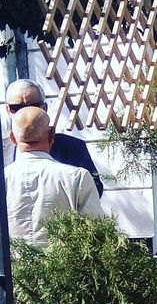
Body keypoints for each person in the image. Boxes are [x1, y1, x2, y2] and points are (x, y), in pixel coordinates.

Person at [6, 107, 104, 246]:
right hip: (62, 266)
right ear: (52, 135)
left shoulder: (4, 179)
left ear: (13, 139)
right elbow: (95, 232)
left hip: (10, 266)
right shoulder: (77, 177)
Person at [3, 79, 104, 196]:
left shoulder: (72, 147)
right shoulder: (3, 151)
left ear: (44, 108)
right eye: (17, 107)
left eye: (33, 106)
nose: (26, 112)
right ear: (8, 110)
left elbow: (94, 190)